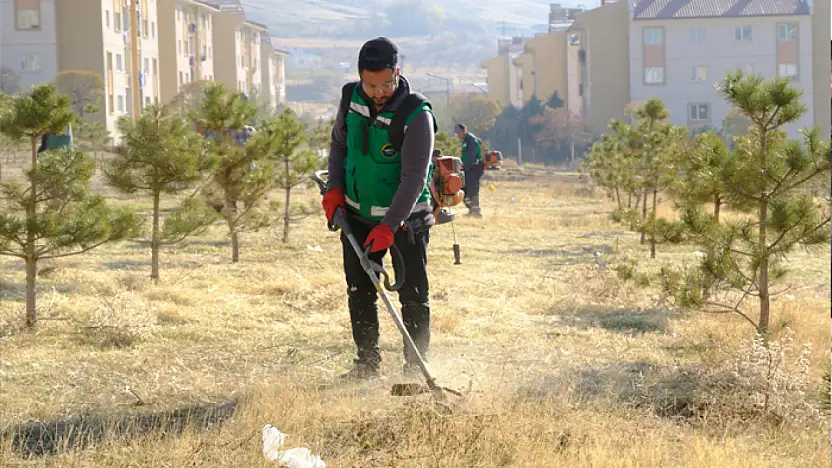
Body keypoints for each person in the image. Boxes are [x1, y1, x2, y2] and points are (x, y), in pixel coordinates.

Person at [321, 37, 437, 380]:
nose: (378, 92)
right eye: (370, 85)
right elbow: (339, 146)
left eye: (386, 83)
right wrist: (334, 189)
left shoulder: (416, 114)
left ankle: (415, 371)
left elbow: (415, 177)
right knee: (359, 290)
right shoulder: (350, 97)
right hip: (356, 215)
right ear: (360, 77)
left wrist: (389, 225)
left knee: (412, 293)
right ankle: (367, 364)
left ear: (397, 73)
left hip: (405, 220)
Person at [454, 123, 484, 218]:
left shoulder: (471, 140)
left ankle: (476, 211)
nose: (458, 135)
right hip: (467, 168)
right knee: (463, 189)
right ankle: (471, 209)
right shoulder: (466, 140)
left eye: (458, 133)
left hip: (474, 168)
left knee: (472, 190)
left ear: (464, 131)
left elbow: (472, 157)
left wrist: (465, 167)